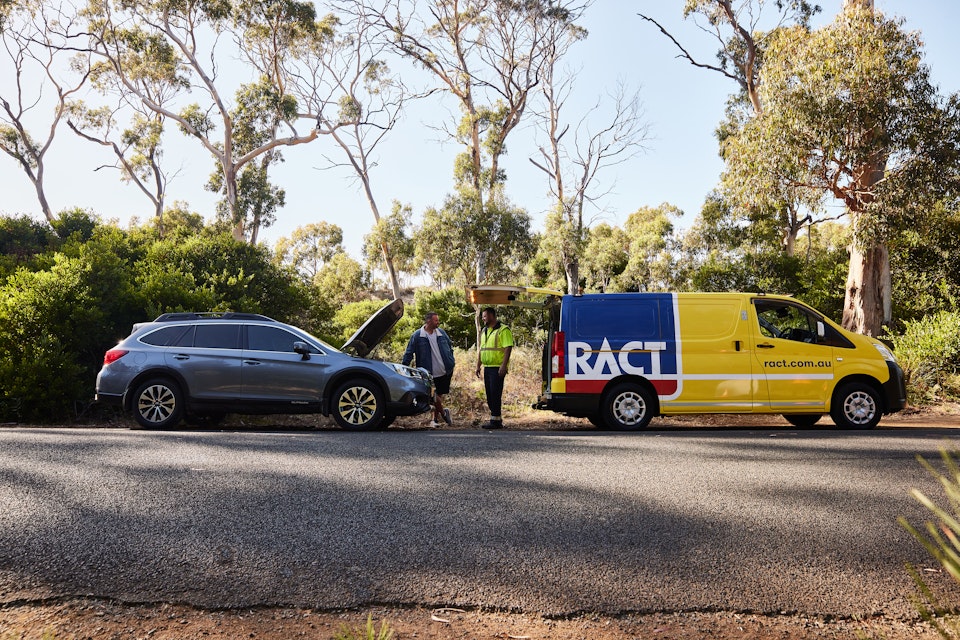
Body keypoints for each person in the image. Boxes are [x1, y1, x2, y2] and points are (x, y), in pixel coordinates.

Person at [402, 311, 456, 428]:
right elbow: (409, 353)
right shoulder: (417, 336)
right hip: (427, 373)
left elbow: (450, 347)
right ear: (428, 321)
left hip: (444, 370)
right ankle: (444, 413)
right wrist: (404, 367)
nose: (438, 322)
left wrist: (451, 361)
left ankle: (435, 420)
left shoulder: (441, 333)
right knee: (432, 397)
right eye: (436, 320)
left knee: (439, 396)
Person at [474, 306, 513, 429]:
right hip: (488, 367)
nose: (483, 318)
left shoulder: (503, 330)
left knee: (495, 394)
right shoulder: (485, 331)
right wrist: (478, 366)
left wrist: (503, 365)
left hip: (497, 368)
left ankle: (496, 421)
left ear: (492, 316)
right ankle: (495, 418)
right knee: (490, 394)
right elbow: (482, 349)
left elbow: (508, 348)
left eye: (485, 316)